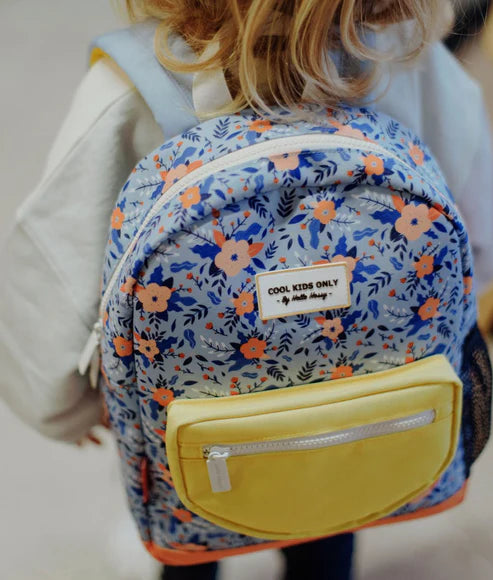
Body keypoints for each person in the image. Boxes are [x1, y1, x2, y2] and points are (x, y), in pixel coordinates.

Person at [1, 1, 492, 579]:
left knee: (193, 531)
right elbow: (474, 225)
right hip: (357, 411)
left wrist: (63, 407)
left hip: (199, 421)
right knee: (331, 524)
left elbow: (56, 266)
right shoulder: (410, 59)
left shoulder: (130, 87)